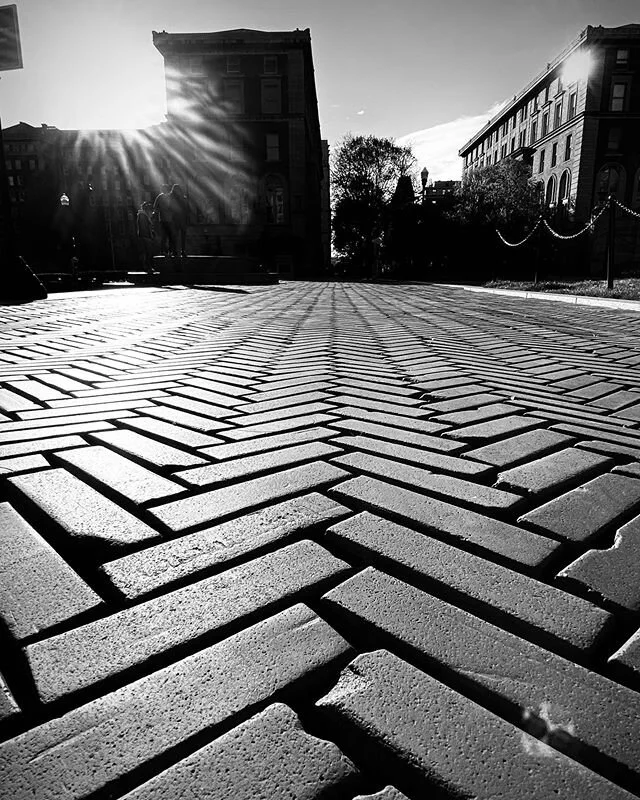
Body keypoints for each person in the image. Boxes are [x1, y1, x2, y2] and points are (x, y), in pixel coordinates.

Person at [152, 184, 174, 256]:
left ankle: (170, 251)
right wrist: (160, 210)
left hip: (169, 219)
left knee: (169, 236)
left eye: (166, 189)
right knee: (164, 236)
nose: (165, 190)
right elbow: (155, 207)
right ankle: (163, 251)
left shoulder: (170, 196)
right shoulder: (160, 197)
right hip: (163, 219)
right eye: (164, 189)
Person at [169, 183, 189, 258]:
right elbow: (187, 209)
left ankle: (177, 251)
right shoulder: (183, 198)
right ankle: (180, 251)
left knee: (177, 236)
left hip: (177, 219)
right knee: (179, 236)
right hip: (179, 219)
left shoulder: (173, 198)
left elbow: (170, 208)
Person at [136, 202, 155, 270]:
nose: (152, 213)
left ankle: (147, 266)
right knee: (148, 252)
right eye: (151, 211)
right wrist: (149, 235)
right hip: (145, 236)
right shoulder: (143, 216)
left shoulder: (143, 216)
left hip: (145, 236)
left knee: (147, 253)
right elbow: (144, 227)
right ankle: (147, 266)